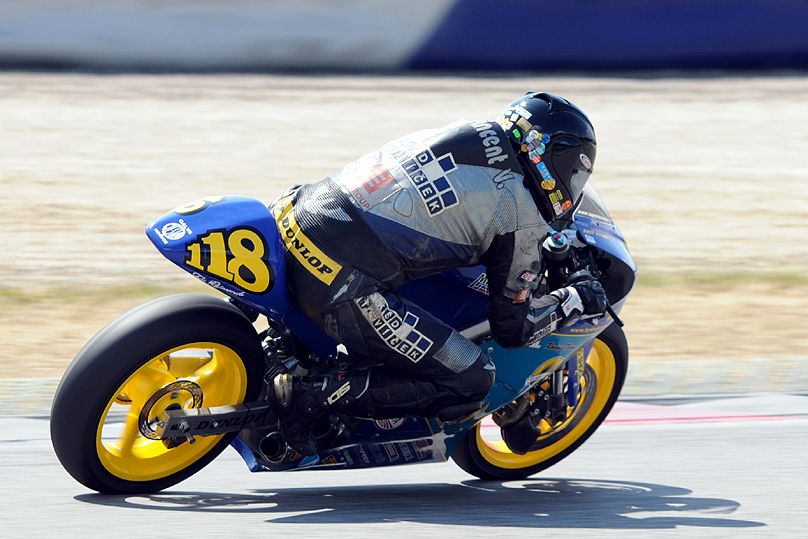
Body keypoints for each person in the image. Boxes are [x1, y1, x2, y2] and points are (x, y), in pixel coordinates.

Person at [270, 92, 608, 454]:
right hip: (337, 277)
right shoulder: (520, 212)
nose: (573, 185)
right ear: (552, 157)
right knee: (473, 379)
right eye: (574, 173)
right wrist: (573, 299)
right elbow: (513, 329)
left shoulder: (468, 132)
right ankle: (314, 396)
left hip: (293, 216)